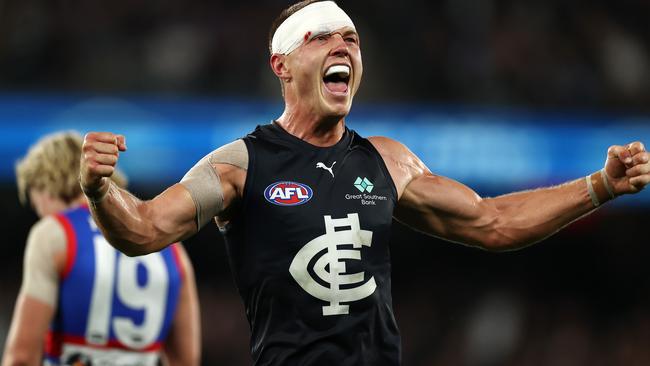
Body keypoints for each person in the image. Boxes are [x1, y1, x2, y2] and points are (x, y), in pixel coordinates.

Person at [77, 1, 650, 365]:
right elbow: (145, 229)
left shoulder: (388, 161)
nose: (343, 46)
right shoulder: (239, 165)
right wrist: (101, 190)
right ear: (281, 66)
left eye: (351, 38)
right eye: (321, 36)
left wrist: (598, 185)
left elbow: (491, 222)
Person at [2, 131, 200, 366]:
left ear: (48, 184)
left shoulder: (54, 233)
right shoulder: (171, 249)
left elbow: (22, 357)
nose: (40, 213)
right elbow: (186, 360)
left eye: (37, 204)